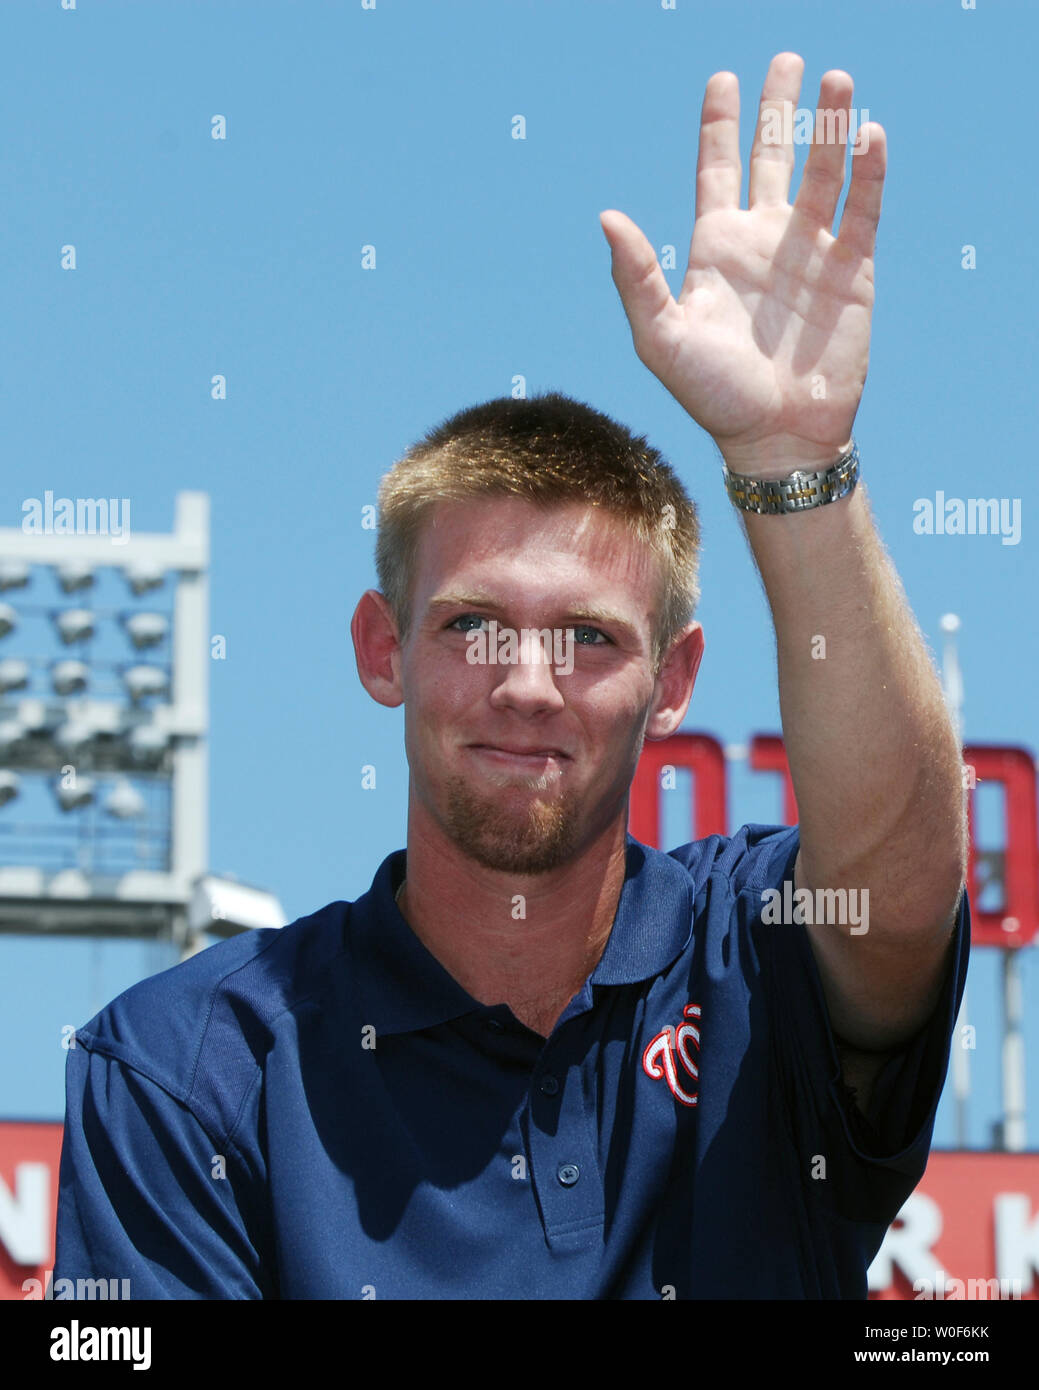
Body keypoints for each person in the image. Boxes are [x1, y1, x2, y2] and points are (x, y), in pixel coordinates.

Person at [55, 53, 969, 1299]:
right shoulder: (179, 1064)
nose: (528, 683)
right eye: (475, 624)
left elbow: (907, 879)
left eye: (590, 636)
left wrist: (789, 456)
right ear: (384, 649)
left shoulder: (757, 960)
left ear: (674, 679)